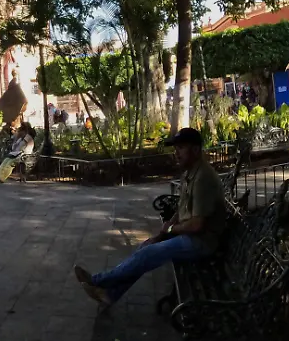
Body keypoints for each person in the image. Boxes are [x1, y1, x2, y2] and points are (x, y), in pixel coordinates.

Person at [74, 127, 226, 307]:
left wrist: (170, 229)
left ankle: (98, 280)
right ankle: (110, 295)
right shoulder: (190, 173)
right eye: (175, 148)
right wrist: (163, 233)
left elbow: (196, 225)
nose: (176, 153)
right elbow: (182, 209)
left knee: (147, 254)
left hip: (201, 242)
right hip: (189, 235)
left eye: (181, 148)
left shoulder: (203, 178)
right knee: (145, 248)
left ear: (195, 149)